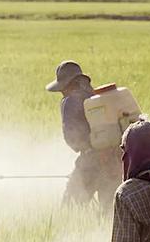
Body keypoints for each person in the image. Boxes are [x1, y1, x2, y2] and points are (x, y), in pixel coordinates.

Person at [46, 60, 122, 208]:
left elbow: (72, 137)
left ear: (69, 84)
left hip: (90, 161)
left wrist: (82, 168)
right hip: (115, 159)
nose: (61, 91)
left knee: (70, 208)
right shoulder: (95, 96)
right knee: (109, 211)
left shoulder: (69, 101)